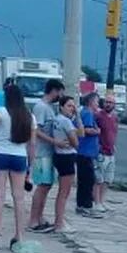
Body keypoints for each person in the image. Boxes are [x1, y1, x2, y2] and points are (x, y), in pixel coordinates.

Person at [0, 84, 35, 252]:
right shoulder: (29, 116)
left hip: (0, 153)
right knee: (18, 198)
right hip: (19, 157)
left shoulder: (2, 111)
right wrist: (30, 166)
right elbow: (32, 144)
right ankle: (19, 235)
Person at [27, 78, 65, 233]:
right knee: (42, 186)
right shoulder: (41, 108)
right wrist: (54, 141)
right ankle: (33, 220)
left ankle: (40, 217)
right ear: (54, 91)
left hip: (49, 152)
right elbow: (37, 130)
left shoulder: (50, 108)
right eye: (60, 92)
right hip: (42, 153)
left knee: (47, 186)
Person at [49, 96, 81, 233]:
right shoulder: (66, 122)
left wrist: (77, 117)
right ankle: (59, 222)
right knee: (64, 192)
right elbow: (76, 142)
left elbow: (82, 132)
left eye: (73, 106)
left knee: (63, 191)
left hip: (59, 155)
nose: (72, 109)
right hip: (66, 156)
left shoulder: (57, 120)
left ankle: (60, 220)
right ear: (61, 106)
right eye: (69, 106)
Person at [75, 92, 102, 219]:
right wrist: (97, 131)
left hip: (86, 152)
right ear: (91, 101)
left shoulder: (85, 112)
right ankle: (86, 205)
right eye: (97, 101)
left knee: (84, 180)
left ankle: (82, 205)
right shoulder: (88, 113)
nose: (98, 104)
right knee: (88, 180)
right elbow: (86, 129)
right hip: (85, 152)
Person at [93, 94, 119, 213]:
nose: (108, 104)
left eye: (111, 102)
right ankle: (96, 202)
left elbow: (113, 133)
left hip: (111, 152)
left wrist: (113, 145)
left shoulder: (114, 117)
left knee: (108, 179)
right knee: (99, 179)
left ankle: (102, 201)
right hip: (101, 152)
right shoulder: (98, 116)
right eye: (107, 102)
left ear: (114, 104)